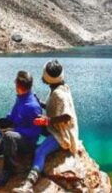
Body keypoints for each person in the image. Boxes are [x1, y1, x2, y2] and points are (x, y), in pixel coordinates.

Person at [14, 60, 79, 193]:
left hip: (62, 134)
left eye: (44, 73)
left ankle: (28, 185)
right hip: (55, 127)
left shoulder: (59, 94)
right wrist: (40, 103)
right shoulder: (59, 87)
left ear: (48, 78)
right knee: (31, 122)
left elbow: (67, 116)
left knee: (40, 152)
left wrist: (47, 121)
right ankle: (26, 145)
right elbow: (53, 107)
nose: (42, 75)